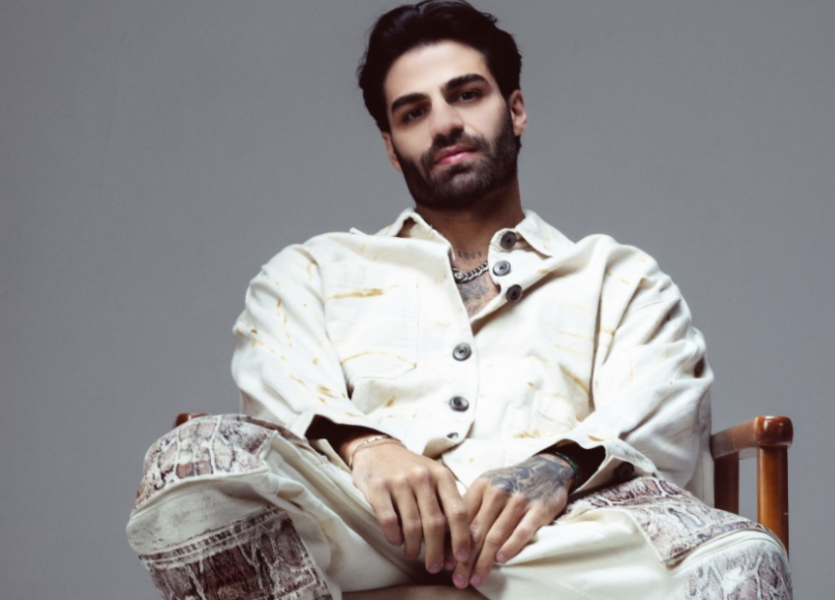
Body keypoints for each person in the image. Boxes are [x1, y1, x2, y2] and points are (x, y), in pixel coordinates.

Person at [126, 2, 792, 598]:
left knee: (744, 560)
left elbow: (664, 409)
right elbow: (276, 384)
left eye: (466, 95)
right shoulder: (311, 272)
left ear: (516, 109)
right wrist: (368, 446)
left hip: (555, 546)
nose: (444, 124)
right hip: (361, 530)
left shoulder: (617, 277)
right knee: (186, 459)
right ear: (392, 148)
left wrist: (556, 465)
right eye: (413, 112)